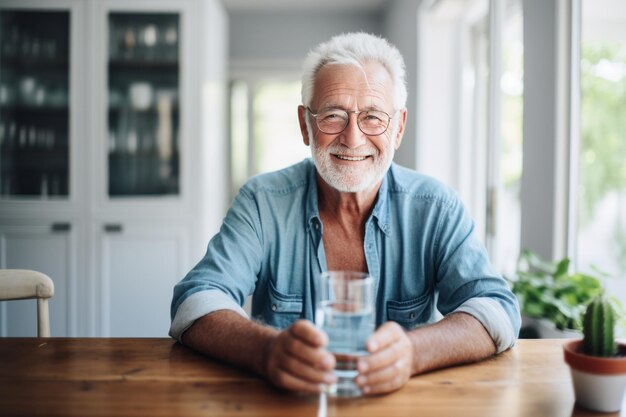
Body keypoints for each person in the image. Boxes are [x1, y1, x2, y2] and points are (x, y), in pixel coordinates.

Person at [170, 32, 520, 395]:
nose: (352, 138)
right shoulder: (262, 201)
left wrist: (414, 352)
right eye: (334, 116)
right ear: (306, 124)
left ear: (398, 127)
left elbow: (497, 310)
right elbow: (195, 300)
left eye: (373, 117)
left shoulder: (436, 207)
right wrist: (266, 351)